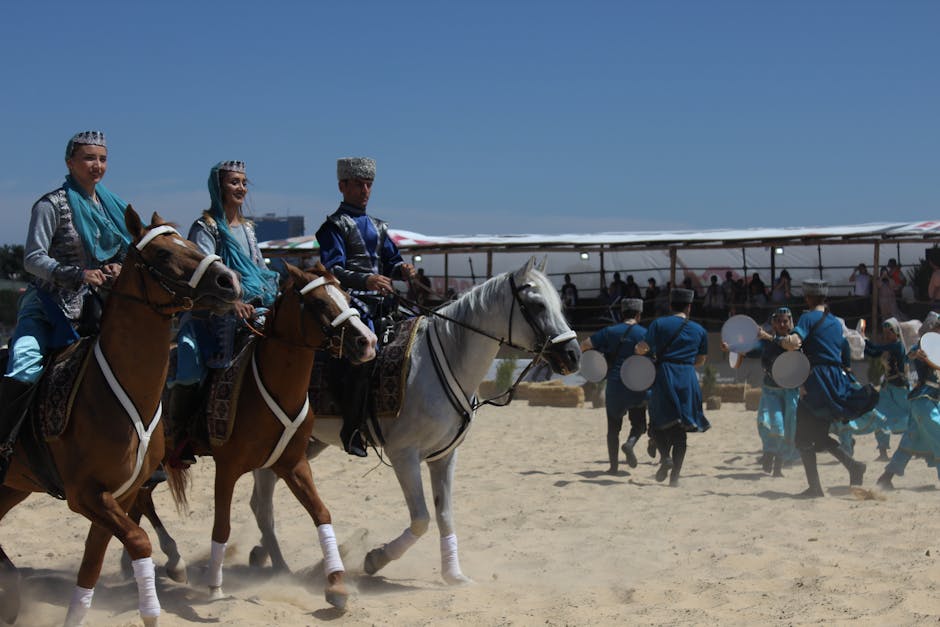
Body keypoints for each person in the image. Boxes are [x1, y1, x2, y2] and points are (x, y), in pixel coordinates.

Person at [0, 131, 131, 482]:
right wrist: (77, 274)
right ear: (70, 162)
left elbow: (123, 249)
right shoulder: (50, 204)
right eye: (89, 158)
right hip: (48, 307)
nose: (97, 166)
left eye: (102, 159)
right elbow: (32, 258)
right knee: (25, 366)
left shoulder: (111, 206)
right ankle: (4, 447)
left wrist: (118, 265)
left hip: (97, 308)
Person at [167, 160, 280, 464]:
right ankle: (180, 436)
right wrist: (232, 303)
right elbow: (202, 276)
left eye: (244, 182)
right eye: (234, 182)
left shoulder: (248, 229)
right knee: (189, 363)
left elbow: (257, 267)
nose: (241, 188)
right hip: (210, 316)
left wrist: (269, 296)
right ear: (219, 188)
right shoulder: (205, 228)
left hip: (253, 306)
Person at [316, 157, 415, 457]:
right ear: (342, 186)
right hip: (350, 302)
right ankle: (353, 428)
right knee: (365, 352)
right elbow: (332, 268)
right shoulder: (333, 226)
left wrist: (402, 271)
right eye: (358, 184)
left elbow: (391, 261)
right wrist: (367, 279)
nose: (365, 190)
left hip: (383, 300)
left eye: (368, 184)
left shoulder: (379, 226)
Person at [775, 279, 879, 497]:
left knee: (803, 436)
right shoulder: (834, 321)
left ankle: (815, 488)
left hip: (816, 380)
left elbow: (795, 342)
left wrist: (781, 340)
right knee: (818, 433)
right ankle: (853, 466)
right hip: (834, 380)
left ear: (807, 297)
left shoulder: (807, 317)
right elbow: (842, 349)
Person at [635, 288, 709, 487]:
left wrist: (639, 349)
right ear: (689, 306)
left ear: (670, 305)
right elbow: (701, 360)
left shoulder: (659, 324)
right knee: (681, 429)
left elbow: (643, 348)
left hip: (664, 375)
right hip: (687, 377)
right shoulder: (699, 330)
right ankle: (675, 476)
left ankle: (665, 457)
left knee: (658, 422)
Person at [725, 307, 799, 477]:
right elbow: (748, 349)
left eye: (785, 320)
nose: (781, 323)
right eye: (778, 320)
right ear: (773, 323)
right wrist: (731, 347)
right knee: (772, 422)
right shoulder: (765, 342)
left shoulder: (795, 339)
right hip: (771, 390)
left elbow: (792, 349)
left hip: (790, 392)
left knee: (789, 428)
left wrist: (769, 337)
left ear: (790, 322)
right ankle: (769, 453)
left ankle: (778, 466)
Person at [580, 298, 648, 474]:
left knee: (613, 429)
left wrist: (598, 361)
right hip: (636, 384)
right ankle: (630, 444)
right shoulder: (644, 333)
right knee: (639, 424)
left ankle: (613, 467)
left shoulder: (609, 331)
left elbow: (585, 345)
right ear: (639, 315)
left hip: (615, 384)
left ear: (621, 313)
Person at [876, 313, 940, 489]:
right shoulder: (922, 346)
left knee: (910, 441)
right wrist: (916, 354)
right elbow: (909, 355)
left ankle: (886, 477)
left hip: (929, 401)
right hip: (923, 402)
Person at [863, 318, 911, 460]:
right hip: (888, 389)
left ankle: (917, 448)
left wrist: (863, 339)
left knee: (911, 420)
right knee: (879, 416)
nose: (886, 335)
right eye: (884, 332)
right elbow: (873, 353)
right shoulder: (890, 346)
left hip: (900, 390)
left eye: (889, 332)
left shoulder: (897, 346)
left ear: (895, 332)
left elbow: (875, 350)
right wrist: (862, 341)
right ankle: (883, 452)